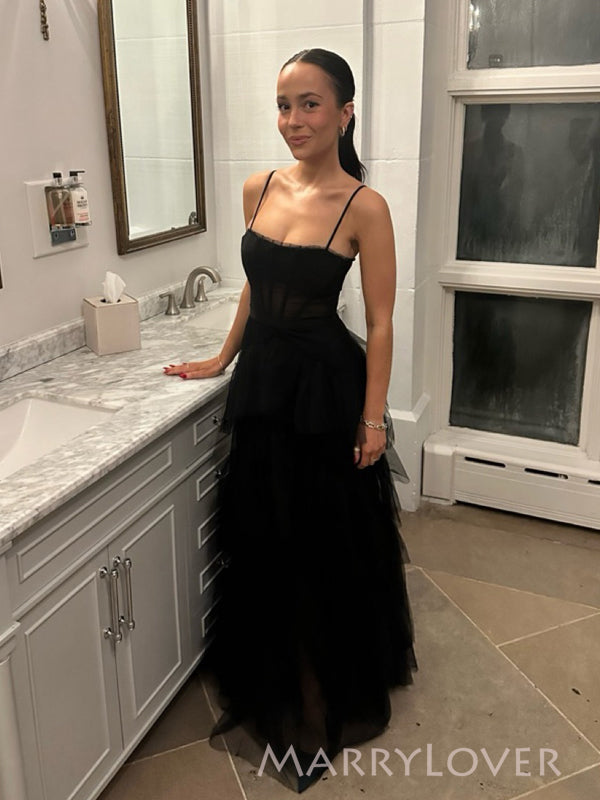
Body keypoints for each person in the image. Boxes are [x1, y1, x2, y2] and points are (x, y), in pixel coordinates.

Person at [163, 47, 418, 793]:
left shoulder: (362, 205)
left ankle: (318, 686)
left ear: (344, 113)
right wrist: (221, 357)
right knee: (264, 532)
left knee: (319, 541)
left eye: (310, 104)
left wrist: (374, 419)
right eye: (284, 104)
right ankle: (268, 663)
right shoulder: (259, 187)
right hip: (264, 384)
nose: (294, 120)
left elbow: (381, 322)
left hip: (324, 390)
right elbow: (257, 283)